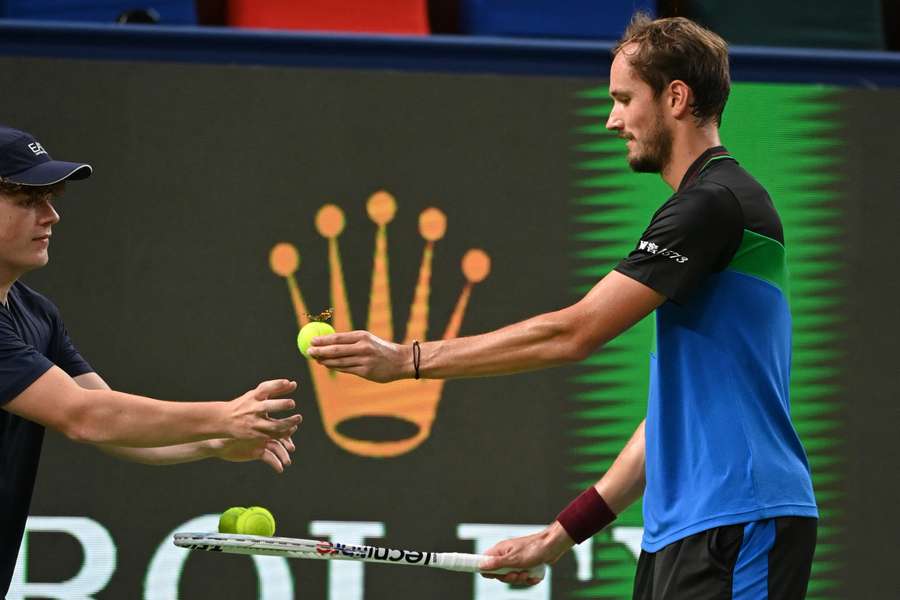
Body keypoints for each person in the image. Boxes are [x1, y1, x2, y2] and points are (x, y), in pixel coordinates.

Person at [307, 14, 818, 599]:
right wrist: (557, 537)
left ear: (676, 97)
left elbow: (573, 333)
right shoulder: (709, 209)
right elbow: (672, 426)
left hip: (740, 519)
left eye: (625, 99)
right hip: (684, 531)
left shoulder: (715, 205)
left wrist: (407, 360)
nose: (612, 120)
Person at [0, 124, 303, 595]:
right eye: (27, 200)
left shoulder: (36, 313)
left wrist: (213, 441)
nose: (52, 216)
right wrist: (223, 416)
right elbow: (86, 418)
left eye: (52, 198)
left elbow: (116, 425)